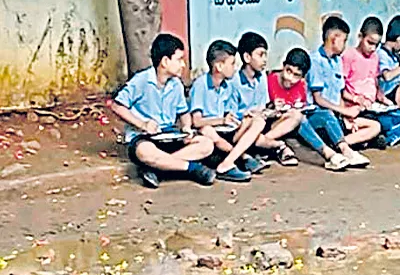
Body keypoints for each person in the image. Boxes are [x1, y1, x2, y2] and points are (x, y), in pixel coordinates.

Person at [112, 34, 215, 189]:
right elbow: (117, 106)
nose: (183, 65)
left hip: (169, 135)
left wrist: (186, 127)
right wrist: (142, 124)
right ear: (165, 61)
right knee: (144, 152)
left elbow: (184, 113)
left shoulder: (177, 85)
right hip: (145, 137)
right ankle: (191, 169)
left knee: (206, 144)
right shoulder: (142, 80)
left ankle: (156, 169)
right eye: (179, 59)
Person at [189, 40, 271, 182]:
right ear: (219, 66)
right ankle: (241, 157)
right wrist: (221, 120)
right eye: (232, 64)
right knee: (206, 129)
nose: (235, 68)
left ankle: (230, 161)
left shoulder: (227, 86)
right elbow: (196, 121)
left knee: (257, 122)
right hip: (210, 136)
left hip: (227, 133)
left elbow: (229, 113)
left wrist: (243, 117)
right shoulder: (200, 85)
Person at [307, 16, 375, 167]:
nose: (345, 45)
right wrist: (344, 111)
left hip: (337, 115)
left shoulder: (337, 61)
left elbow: (340, 92)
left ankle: (340, 142)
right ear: (333, 38)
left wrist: (347, 115)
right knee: (327, 116)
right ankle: (345, 150)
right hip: (318, 115)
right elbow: (318, 99)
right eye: (344, 40)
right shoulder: (315, 61)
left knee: (374, 126)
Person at [268, 48, 350, 171]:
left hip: (298, 123)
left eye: (296, 75)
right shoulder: (270, 80)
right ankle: (328, 153)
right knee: (298, 117)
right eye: (288, 71)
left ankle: (345, 149)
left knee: (325, 114)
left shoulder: (301, 85)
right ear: (283, 66)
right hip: (278, 124)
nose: (290, 78)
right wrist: (273, 107)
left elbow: (302, 105)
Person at [342, 17, 400, 146]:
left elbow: (374, 82)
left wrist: (382, 98)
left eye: (376, 45)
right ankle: (379, 137)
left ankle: (379, 138)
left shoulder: (375, 57)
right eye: (370, 43)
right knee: (380, 125)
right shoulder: (349, 55)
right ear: (360, 37)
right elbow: (341, 90)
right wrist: (356, 99)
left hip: (373, 108)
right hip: (357, 109)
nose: (372, 48)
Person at [230, 32, 303, 167]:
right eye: (260, 55)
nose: (265, 60)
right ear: (247, 57)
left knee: (295, 115)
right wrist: (249, 114)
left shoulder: (261, 77)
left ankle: (262, 144)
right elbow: (232, 116)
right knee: (254, 123)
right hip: (244, 127)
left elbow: (264, 105)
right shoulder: (234, 82)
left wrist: (274, 108)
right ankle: (278, 146)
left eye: (266, 55)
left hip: (263, 124)